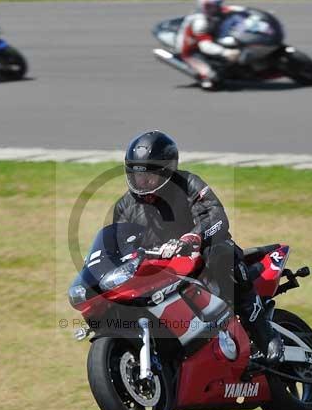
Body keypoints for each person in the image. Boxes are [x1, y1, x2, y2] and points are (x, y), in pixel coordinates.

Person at [113, 130, 284, 365]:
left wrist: (195, 237)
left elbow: (217, 216)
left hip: (200, 257)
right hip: (161, 270)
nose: (142, 182)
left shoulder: (189, 184)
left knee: (219, 251)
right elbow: (119, 244)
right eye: (136, 174)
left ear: (167, 170)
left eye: (149, 176)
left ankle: (265, 334)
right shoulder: (124, 206)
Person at [176, 0, 244, 90]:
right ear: (203, 4)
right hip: (192, 50)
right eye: (211, 5)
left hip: (210, 39)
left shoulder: (213, 12)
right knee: (212, 79)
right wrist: (226, 52)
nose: (216, 7)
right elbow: (205, 46)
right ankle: (205, 79)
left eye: (218, 4)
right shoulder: (200, 22)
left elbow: (232, 9)